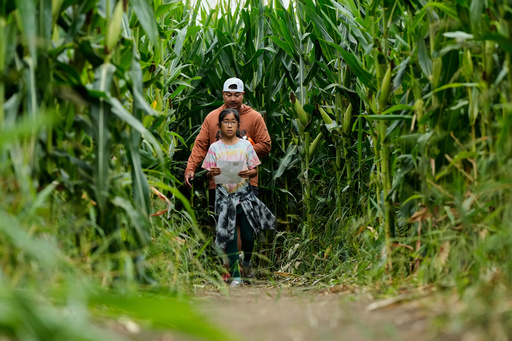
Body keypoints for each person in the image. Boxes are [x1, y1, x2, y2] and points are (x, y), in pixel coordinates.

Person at [201, 108, 276, 288]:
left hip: (244, 196)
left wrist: (248, 172)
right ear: (219, 126)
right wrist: (211, 173)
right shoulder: (214, 148)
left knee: (249, 237)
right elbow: (207, 175)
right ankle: (236, 276)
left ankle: (247, 263)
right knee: (230, 237)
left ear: (238, 125)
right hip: (224, 198)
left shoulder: (246, 146)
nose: (229, 125)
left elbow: (255, 169)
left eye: (233, 122)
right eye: (225, 122)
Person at [184, 77, 271, 206]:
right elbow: (200, 145)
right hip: (219, 183)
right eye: (228, 95)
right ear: (223, 94)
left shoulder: (254, 117)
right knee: (222, 223)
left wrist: (240, 151)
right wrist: (190, 168)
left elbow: (265, 145)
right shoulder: (212, 117)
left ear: (243, 95)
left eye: (237, 95)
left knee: (246, 223)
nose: (232, 99)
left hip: (246, 183)